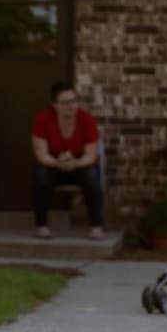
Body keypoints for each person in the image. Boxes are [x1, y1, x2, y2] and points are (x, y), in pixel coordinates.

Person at [31, 81, 106, 240]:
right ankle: (42, 226)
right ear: (54, 105)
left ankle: (96, 226)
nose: (71, 106)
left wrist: (75, 163)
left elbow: (91, 155)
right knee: (41, 174)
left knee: (92, 175)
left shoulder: (86, 119)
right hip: (53, 164)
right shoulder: (43, 119)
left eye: (74, 101)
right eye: (65, 103)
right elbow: (41, 155)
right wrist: (59, 163)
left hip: (80, 164)